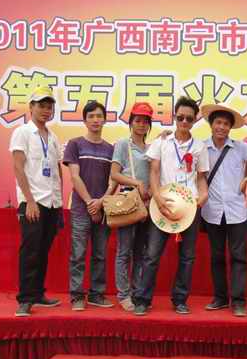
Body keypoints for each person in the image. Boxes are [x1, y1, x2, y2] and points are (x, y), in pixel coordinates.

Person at [131, 96, 209, 316]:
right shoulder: (162, 142)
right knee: (152, 254)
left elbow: (201, 177)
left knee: (188, 257)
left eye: (189, 119)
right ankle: (143, 299)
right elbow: (154, 171)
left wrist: (203, 195)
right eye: (181, 117)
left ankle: (180, 299)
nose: (184, 122)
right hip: (162, 205)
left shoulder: (200, 147)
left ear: (194, 121)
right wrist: (157, 197)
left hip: (189, 207)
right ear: (175, 117)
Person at [201, 104, 247, 317]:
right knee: (216, 256)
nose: (221, 127)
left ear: (230, 128)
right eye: (218, 122)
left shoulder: (240, 148)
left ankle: (238, 301)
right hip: (212, 210)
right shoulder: (201, 148)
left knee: (239, 257)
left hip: (237, 210)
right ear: (211, 125)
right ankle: (221, 298)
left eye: (226, 124)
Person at [9, 86, 63, 317]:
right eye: (41, 105)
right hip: (33, 202)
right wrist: (29, 201)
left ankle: (38, 293)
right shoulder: (22, 132)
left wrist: (60, 202)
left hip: (52, 202)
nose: (46, 110)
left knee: (43, 250)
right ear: (31, 107)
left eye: (49, 106)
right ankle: (25, 299)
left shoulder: (53, 137)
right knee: (30, 250)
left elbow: (57, 171)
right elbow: (18, 167)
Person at [63, 100, 115, 311]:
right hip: (80, 208)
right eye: (91, 116)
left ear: (105, 120)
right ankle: (77, 296)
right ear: (84, 120)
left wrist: (100, 202)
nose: (95, 120)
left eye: (99, 116)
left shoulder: (111, 149)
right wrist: (89, 203)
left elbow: (114, 180)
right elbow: (74, 176)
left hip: (104, 208)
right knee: (78, 253)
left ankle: (96, 294)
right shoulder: (75, 144)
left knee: (100, 254)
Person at [110, 102, 154, 311]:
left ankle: (138, 293)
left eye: (145, 121)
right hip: (128, 202)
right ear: (131, 122)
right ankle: (123, 294)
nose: (141, 124)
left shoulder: (151, 148)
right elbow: (114, 174)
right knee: (124, 252)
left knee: (141, 252)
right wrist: (137, 183)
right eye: (138, 120)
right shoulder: (123, 144)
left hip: (147, 205)